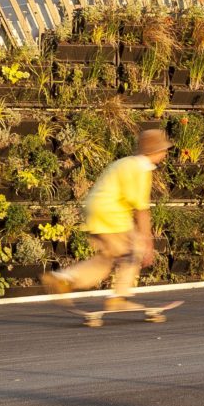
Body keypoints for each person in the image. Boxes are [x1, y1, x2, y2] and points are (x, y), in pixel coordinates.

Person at [42, 128, 171, 311]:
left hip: (93, 212)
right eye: (163, 150)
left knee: (107, 259)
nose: (165, 153)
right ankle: (119, 298)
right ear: (153, 151)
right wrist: (148, 244)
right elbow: (141, 210)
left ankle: (65, 279)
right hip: (111, 214)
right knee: (134, 250)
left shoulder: (124, 163)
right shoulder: (141, 169)